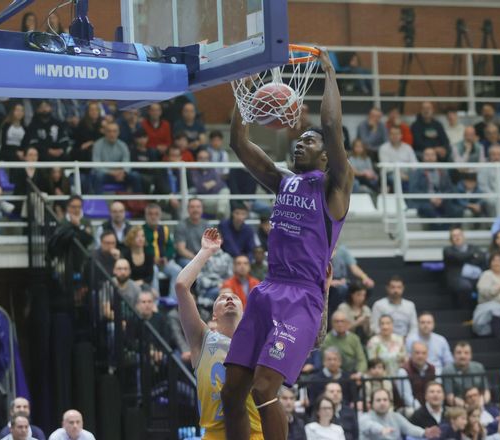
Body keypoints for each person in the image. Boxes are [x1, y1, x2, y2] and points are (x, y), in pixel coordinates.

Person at [221, 49, 353, 440]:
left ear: (328, 157)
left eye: (310, 141)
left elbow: (331, 124)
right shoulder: (283, 181)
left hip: (301, 298)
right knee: (231, 394)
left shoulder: (335, 188)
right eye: (299, 140)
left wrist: (328, 72)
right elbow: (238, 143)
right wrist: (245, 92)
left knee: (264, 388)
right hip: (268, 289)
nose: (300, 143)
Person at [174, 228, 263, 439]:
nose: (229, 299)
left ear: (245, 310)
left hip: (256, 433)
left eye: (235, 298)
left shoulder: (258, 340)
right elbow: (181, 286)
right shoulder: (202, 339)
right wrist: (205, 251)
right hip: (216, 433)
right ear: (214, 314)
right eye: (222, 299)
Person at [358, 388, 440, 440]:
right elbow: (370, 425)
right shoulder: (365, 418)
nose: (382, 403)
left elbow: (409, 428)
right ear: (372, 403)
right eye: (378, 400)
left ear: (390, 403)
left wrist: (424, 433)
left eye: (385, 400)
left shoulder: (395, 416)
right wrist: (381, 430)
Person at [142, 203, 182, 298]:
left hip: (164, 262)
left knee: (177, 270)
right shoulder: (141, 230)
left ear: (160, 216)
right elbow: (141, 249)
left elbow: (170, 247)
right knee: (154, 270)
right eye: (150, 214)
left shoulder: (165, 229)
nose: (153, 217)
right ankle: (155, 301)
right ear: (146, 216)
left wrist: (166, 258)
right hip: (149, 263)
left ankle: (173, 300)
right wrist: (152, 259)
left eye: (156, 214)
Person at [91, 122, 143, 194]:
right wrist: (112, 172)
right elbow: (96, 165)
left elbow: (127, 162)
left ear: (118, 132)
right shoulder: (98, 144)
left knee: (135, 176)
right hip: (105, 174)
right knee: (98, 176)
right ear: (105, 132)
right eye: (109, 131)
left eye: (114, 131)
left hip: (121, 174)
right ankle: (99, 203)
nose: (112, 134)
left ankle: (137, 203)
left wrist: (123, 172)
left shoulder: (123, 145)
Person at [406, 147, 455, 222]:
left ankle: (452, 231)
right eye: (427, 155)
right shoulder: (416, 172)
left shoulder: (443, 171)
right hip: (424, 202)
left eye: (432, 155)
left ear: (436, 157)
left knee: (454, 209)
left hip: (441, 200)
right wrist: (430, 198)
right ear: (423, 158)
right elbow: (413, 190)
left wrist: (441, 198)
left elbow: (449, 189)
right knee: (429, 210)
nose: (430, 158)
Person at [443, 227, 486, 309]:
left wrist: (467, 257)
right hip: (457, 278)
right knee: (465, 286)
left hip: (475, 275)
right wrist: (472, 255)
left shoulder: (472, 247)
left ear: (463, 236)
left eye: (459, 235)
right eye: (454, 236)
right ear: (451, 239)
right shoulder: (448, 250)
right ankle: (464, 310)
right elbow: (459, 257)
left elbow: (482, 257)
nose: (457, 237)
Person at [441, 342, 490, 407]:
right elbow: (449, 397)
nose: (462, 356)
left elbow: (486, 392)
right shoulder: (448, 370)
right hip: (457, 408)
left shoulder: (479, 367)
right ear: (453, 355)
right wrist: (467, 407)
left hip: (479, 405)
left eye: (466, 353)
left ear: (471, 355)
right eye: (459, 353)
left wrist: (481, 403)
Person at [378, 125, 417, 191]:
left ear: (401, 135)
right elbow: (387, 167)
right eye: (392, 134)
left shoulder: (408, 147)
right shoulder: (383, 148)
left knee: (419, 178)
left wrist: (410, 175)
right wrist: (400, 175)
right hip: (391, 174)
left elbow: (415, 164)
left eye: (397, 134)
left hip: (408, 174)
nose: (395, 136)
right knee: (396, 179)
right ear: (389, 135)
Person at [400, 342, 437, 407]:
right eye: (417, 353)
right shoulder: (403, 371)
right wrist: (422, 411)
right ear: (411, 354)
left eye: (423, 353)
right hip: (410, 408)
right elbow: (407, 397)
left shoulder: (432, 369)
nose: (420, 356)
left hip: (429, 407)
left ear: (427, 354)